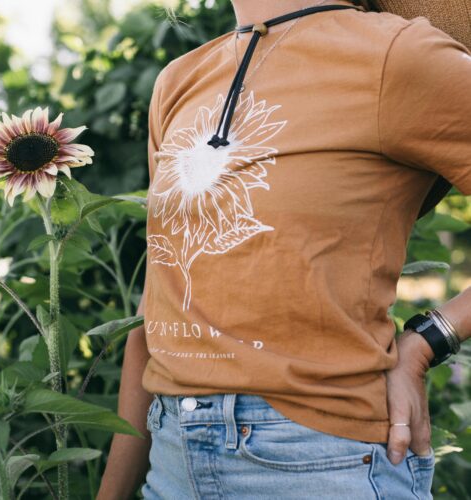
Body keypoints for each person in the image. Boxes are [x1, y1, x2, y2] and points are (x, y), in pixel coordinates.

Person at [97, 1, 471, 498]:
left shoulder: (400, 55)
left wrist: (428, 341)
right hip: (171, 461)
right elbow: (158, 304)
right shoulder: (179, 79)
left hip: (322, 461)